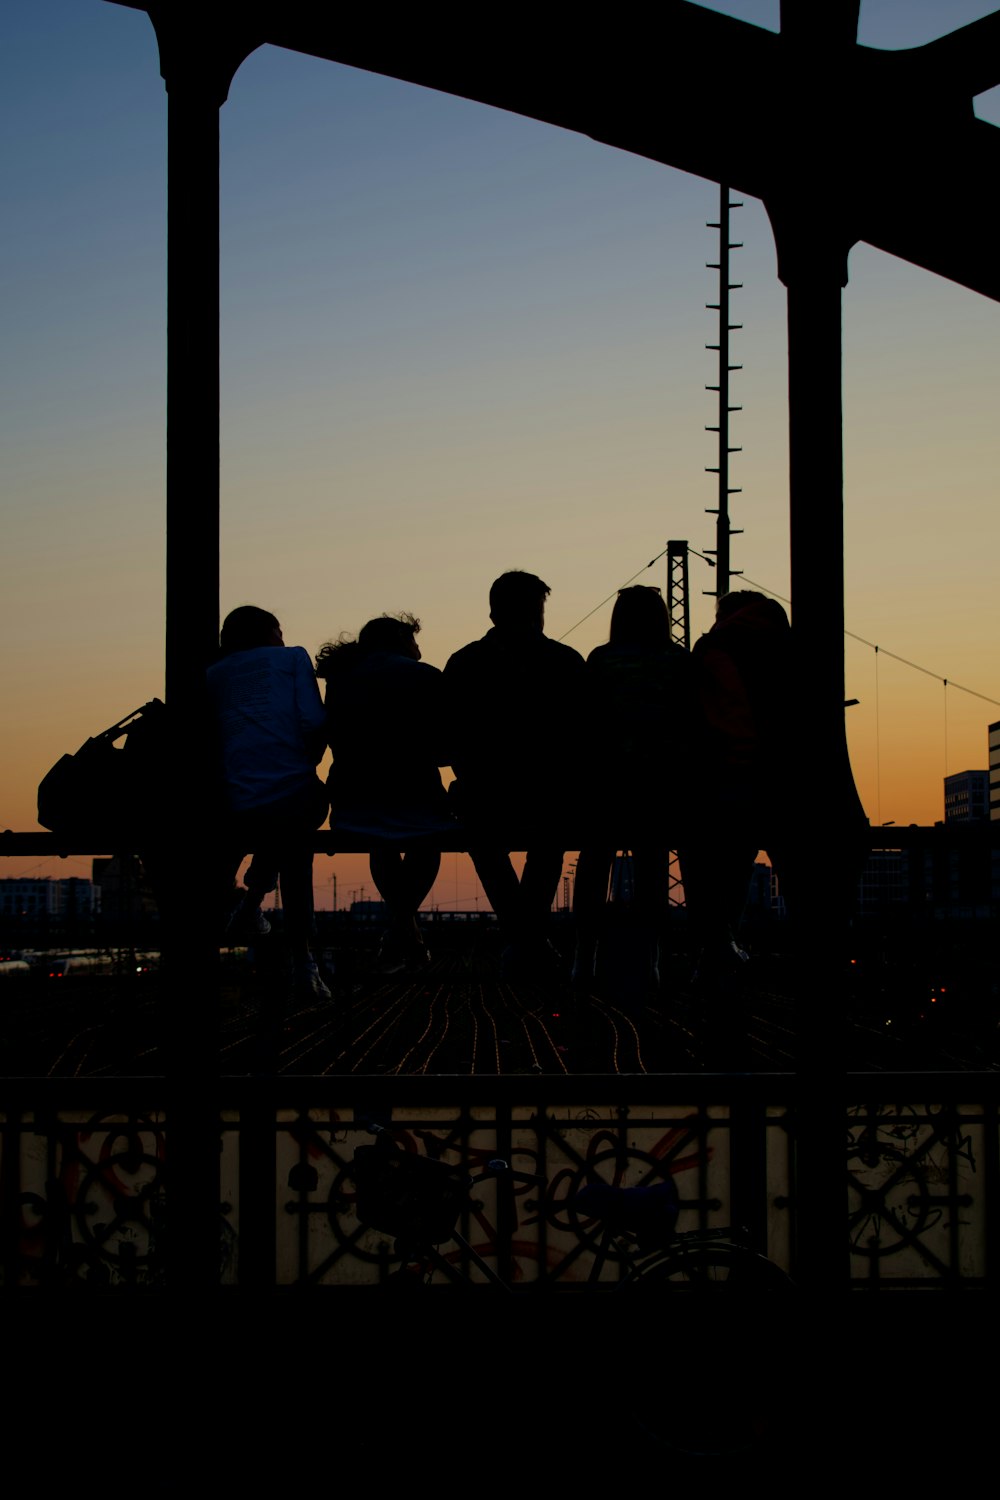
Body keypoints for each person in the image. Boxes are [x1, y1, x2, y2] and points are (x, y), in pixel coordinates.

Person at [443, 570, 585, 974]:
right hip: (551, 796)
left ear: (492, 613)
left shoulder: (464, 662)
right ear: (538, 611)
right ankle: (529, 939)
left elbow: (448, 737)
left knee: (483, 842)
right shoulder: (565, 662)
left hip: (484, 796)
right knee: (550, 841)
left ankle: (523, 938)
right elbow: (582, 736)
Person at [572, 586, 697, 997]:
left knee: (593, 867)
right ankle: (651, 960)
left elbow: (585, 722)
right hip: (662, 785)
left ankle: (583, 956)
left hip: (605, 784)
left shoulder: (601, 660)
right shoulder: (680, 661)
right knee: (652, 871)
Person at [316, 613, 452, 971]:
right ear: (401, 641)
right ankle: (404, 928)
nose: (419, 648)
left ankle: (404, 931)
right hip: (418, 800)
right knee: (429, 840)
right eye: (414, 639)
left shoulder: (341, 679)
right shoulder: (426, 676)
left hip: (352, 804)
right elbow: (444, 750)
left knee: (382, 841)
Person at [207, 605, 330, 998]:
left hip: (237, 803)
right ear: (273, 632)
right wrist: (303, 761)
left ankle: (252, 904)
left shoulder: (213, 673)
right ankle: (303, 964)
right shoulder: (292, 657)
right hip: (294, 796)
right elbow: (313, 721)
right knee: (296, 844)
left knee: (274, 831)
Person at [684, 590, 794, 978]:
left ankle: (718, 947)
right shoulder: (791, 643)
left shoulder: (713, 647)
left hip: (728, 773)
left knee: (721, 865)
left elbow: (695, 714)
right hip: (786, 777)